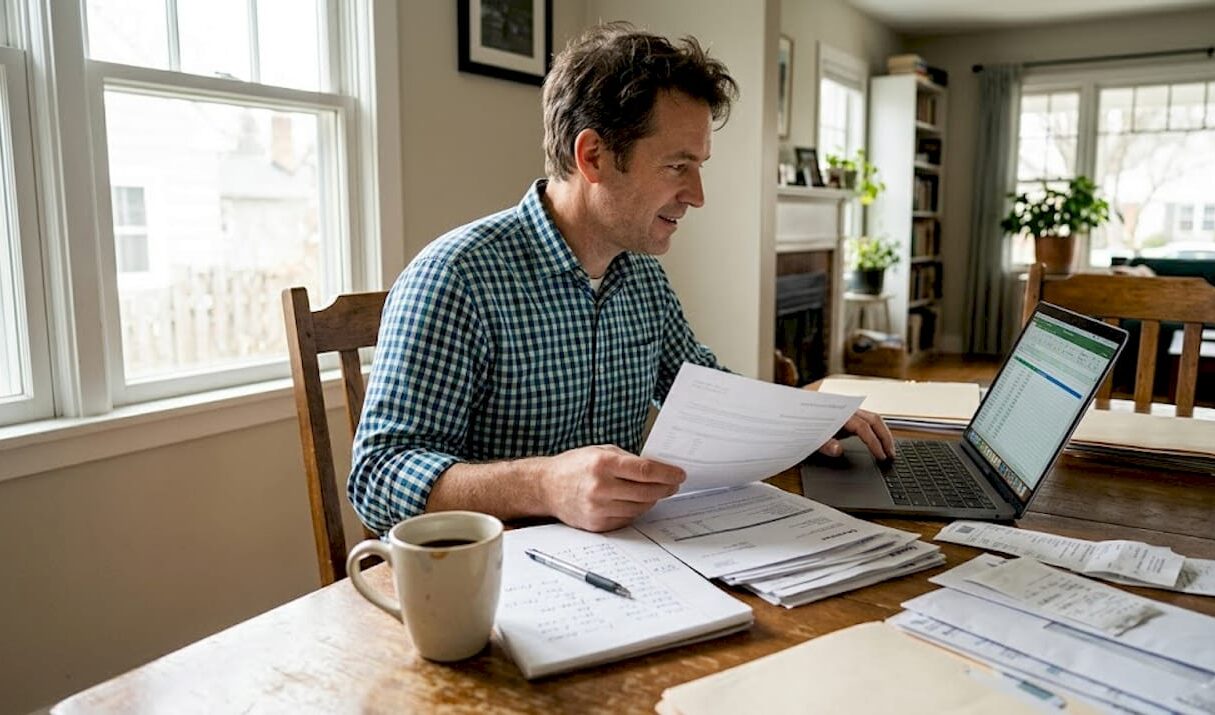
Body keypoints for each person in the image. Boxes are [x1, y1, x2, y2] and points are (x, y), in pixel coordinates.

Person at [348, 23, 894, 536]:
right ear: (594, 157)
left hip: (632, 563)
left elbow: (704, 389)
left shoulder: (641, 277)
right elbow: (376, 477)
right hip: (496, 587)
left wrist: (802, 423)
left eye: (700, 165)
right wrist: (543, 484)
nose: (698, 195)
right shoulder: (456, 278)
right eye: (677, 166)